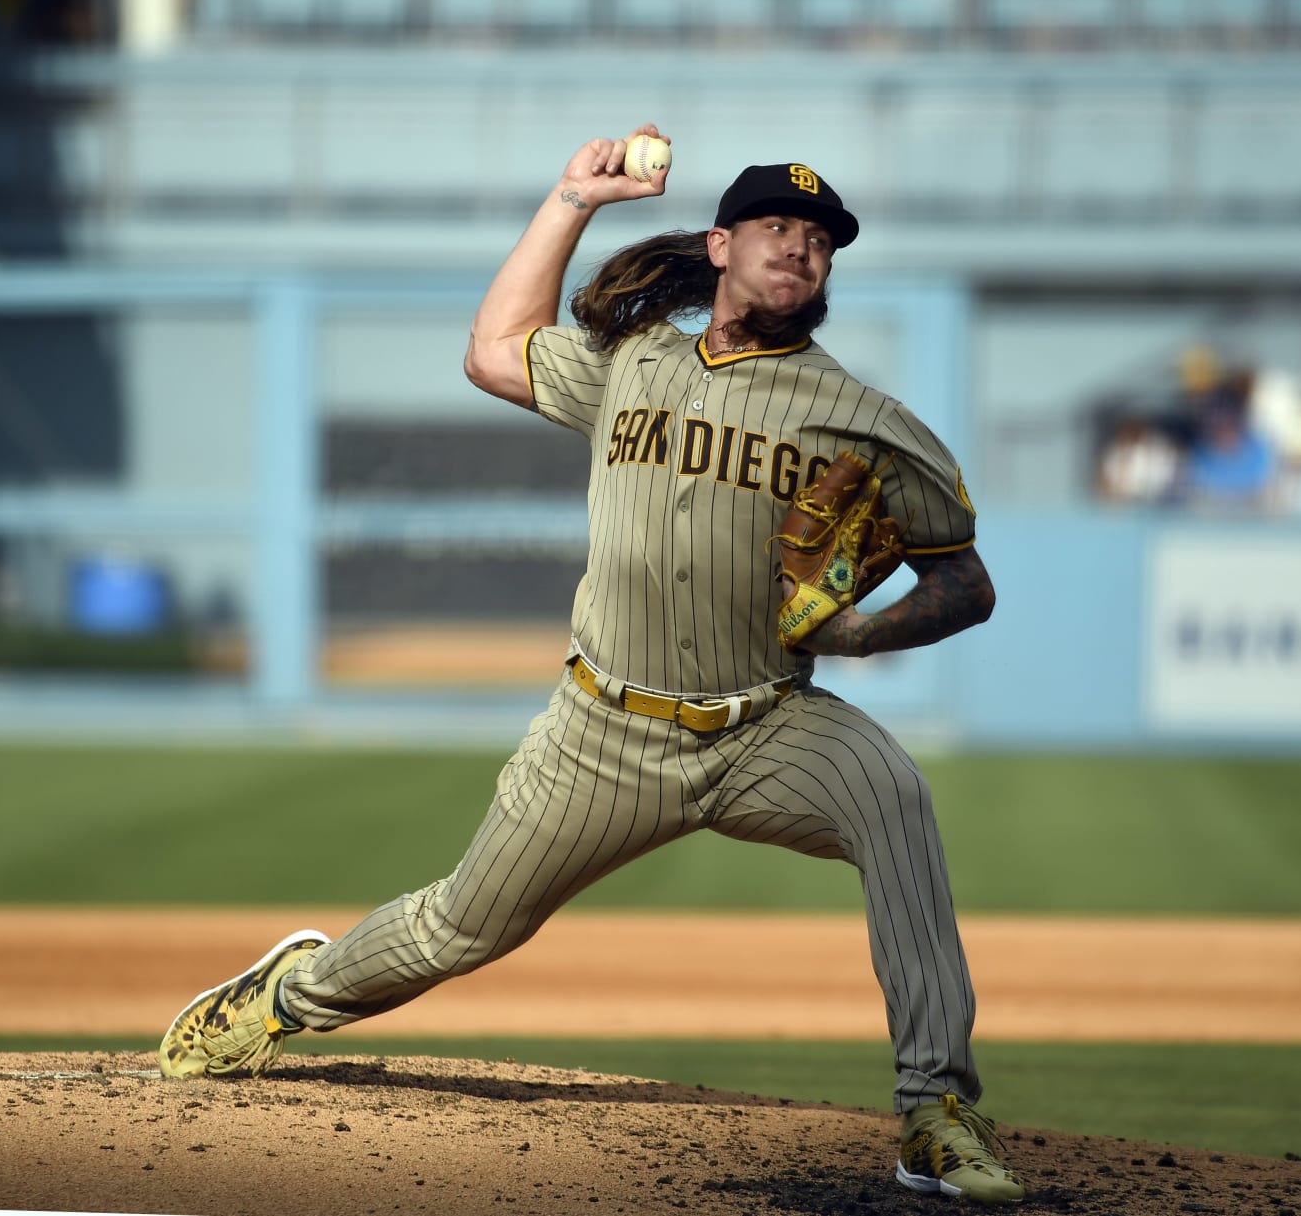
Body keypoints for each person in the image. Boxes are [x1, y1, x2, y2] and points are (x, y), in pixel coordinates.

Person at [157, 125, 1024, 1206]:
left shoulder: (866, 421)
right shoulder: (635, 359)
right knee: (459, 926)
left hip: (767, 726)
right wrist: (573, 200)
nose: (797, 249)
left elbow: (965, 584)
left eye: (818, 238)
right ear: (720, 245)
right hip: (600, 734)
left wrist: (850, 636)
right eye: (773, 228)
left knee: (894, 797)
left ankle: (936, 1110)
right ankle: (290, 994)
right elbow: (491, 349)